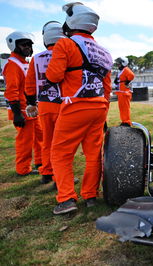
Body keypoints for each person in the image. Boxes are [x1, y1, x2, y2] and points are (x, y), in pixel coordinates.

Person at [46, 2, 113, 214]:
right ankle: (91, 196)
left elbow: (54, 76)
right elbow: (107, 87)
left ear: (72, 21)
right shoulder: (104, 52)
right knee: (93, 153)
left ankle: (66, 199)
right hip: (99, 106)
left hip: (75, 106)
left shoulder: (65, 45)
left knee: (60, 153)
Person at [25, 21, 65, 185]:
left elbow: (29, 84)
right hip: (63, 104)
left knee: (47, 141)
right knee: (62, 143)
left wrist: (31, 103)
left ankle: (47, 172)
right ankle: (59, 176)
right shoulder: (66, 53)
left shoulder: (36, 58)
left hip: (44, 105)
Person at [3, 31, 43, 176]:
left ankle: (40, 161)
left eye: (29, 44)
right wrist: (17, 114)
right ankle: (23, 169)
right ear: (14, 45)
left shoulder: (24, 63)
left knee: (40, 137)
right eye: (23, 44)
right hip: (21, 110)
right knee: (25, 142)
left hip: (31, 109)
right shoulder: (13, 64)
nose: (27, 47)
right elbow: (11, 91)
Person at [113, 57, 134, 126]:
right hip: (121, 92)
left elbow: (131, 75)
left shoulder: (126, 69)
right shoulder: (121, 71)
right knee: (121, 108)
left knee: (125, 107)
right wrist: (116, 80)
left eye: (119, 63)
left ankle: (127, 122)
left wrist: (126, 82)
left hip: (125, 92)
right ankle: (124, 121)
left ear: (123, 63)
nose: (118, 65)